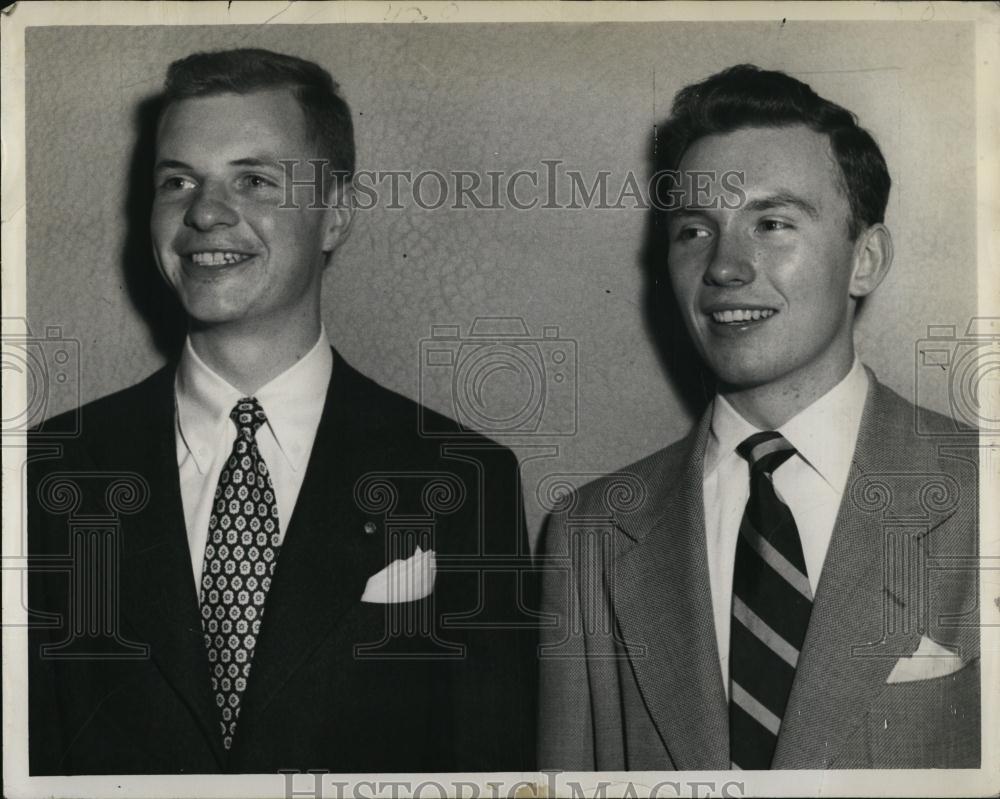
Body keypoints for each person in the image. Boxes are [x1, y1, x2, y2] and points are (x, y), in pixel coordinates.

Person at [28, 48, 535, 775]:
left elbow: (490, 766)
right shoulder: (49, 471)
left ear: (335, 216)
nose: (204, 212)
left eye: (254, 180)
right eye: (178, 181)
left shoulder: (465, 479)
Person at [538, 64, 979, 770]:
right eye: (694, 230)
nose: (725, 267)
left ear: (865, 259)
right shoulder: (589, 534)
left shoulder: (983, 492)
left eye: (771, 224)